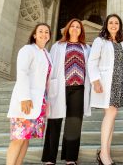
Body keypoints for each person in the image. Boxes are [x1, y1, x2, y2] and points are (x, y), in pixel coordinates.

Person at [41, 18, 91, 165]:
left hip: (79, 89)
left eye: (78, 27)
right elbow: (50, 67)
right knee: (54, 122)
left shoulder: (86, 48)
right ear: (68, 29)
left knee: (74, 123)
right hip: (60, 87)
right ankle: (49, 158)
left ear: (81, 31)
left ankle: (71, 158)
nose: (75, 29)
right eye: (72, 26)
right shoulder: (58, 45)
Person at [6, 23, 52, 165]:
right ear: (34, 34)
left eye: (46, 32)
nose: (44, 34)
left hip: (39, 102)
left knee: (26, 139)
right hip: (26, 100)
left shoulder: (46, 54)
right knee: (18, 139)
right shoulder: (28, 49)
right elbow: (22, 72)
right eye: (40, 31)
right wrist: (25, 98)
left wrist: (47, 101)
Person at [88, 14, 123, 165]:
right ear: (106, 25)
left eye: (116, 23)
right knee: (111, 113)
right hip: (105, 82)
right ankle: (104, 154)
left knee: (112, 114)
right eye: (111, 22)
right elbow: (92, 61)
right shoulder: (100, 41)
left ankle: (106, 153)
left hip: (118, 82)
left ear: (119, 26)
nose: (113, 25)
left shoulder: (122, 43)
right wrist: (95, 80)